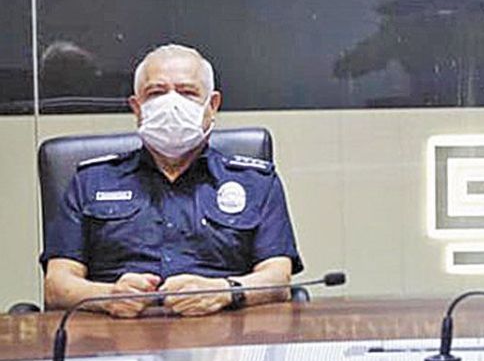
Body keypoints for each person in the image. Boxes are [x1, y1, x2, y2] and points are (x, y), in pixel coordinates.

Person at [41, 44, 303, 317]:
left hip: (223, 330)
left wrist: (224, 291)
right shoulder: (91, 181)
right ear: (137, 107)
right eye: (156, 93)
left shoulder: (256, 182)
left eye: (187, 92)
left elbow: (278, 279)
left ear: (212, 105)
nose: (172, 104)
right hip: (116, 330)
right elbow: (57, 285)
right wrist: (108, 297)